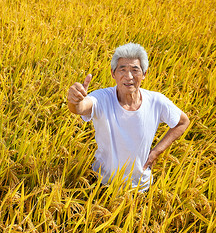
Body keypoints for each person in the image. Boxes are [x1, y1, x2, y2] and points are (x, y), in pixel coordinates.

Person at [67, 42, 190, 192]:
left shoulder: (156, 101)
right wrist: (75, 100)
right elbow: (80, 108)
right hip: (102, 183)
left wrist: (156, 152)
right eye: (122, 69)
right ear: (113, 74)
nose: (129, 76)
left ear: (144, 74)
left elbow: (183, 122)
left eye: (135, 70)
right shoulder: (103, 98)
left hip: (140, 186)